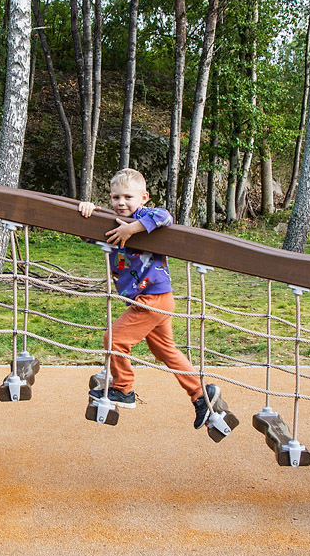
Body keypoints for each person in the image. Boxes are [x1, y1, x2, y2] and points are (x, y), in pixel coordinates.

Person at [77, 168, 219, 430]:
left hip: (152, 297)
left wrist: (132, 229)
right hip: (154, 299)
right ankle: (201, 394)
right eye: (115, 197)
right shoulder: (110, 220)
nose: (121, 203)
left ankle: (124, 388)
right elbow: (87, 233)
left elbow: (165, 216)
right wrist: (87, 209)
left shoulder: (143, 217)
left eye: (128, 197)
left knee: (114, 339)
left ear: (143, 198)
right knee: (164, 350)